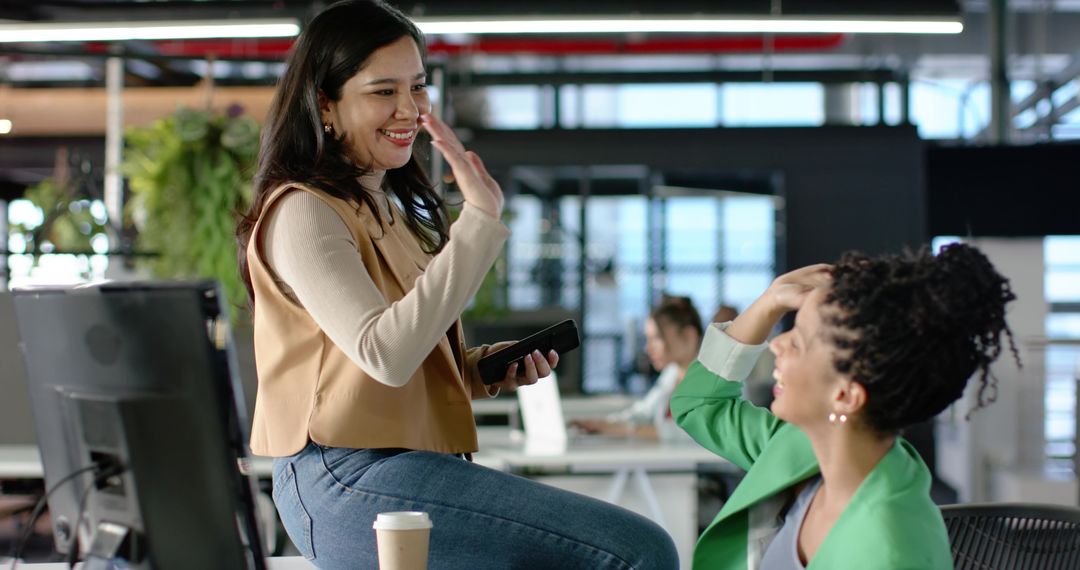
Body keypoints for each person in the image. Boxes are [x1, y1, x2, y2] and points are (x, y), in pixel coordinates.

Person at [234, 1, 678, 568]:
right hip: (343, 478)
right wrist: (480, 223)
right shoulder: (303, 211)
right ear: (325, 103)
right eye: (383, 91)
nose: (409, 109)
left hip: (396, 465)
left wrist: (480, 369)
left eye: (417, 87)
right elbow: (384, 354)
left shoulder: (381, 208)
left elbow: (384, 367)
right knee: (639, 550)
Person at [671, 243, 1017, 569]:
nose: (776, 343)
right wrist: (769, 302)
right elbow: (700, 403)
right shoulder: (805, 451)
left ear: (845, 396)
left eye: (799, 340)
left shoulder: (887, 552)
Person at [574, 294, 703, 442]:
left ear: (689, 335)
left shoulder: (711, 378)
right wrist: (603, 424)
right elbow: (643, 412)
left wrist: (625, 430)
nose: (648, 349)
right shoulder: (672, 373)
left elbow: (692, 433)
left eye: (657, 338)